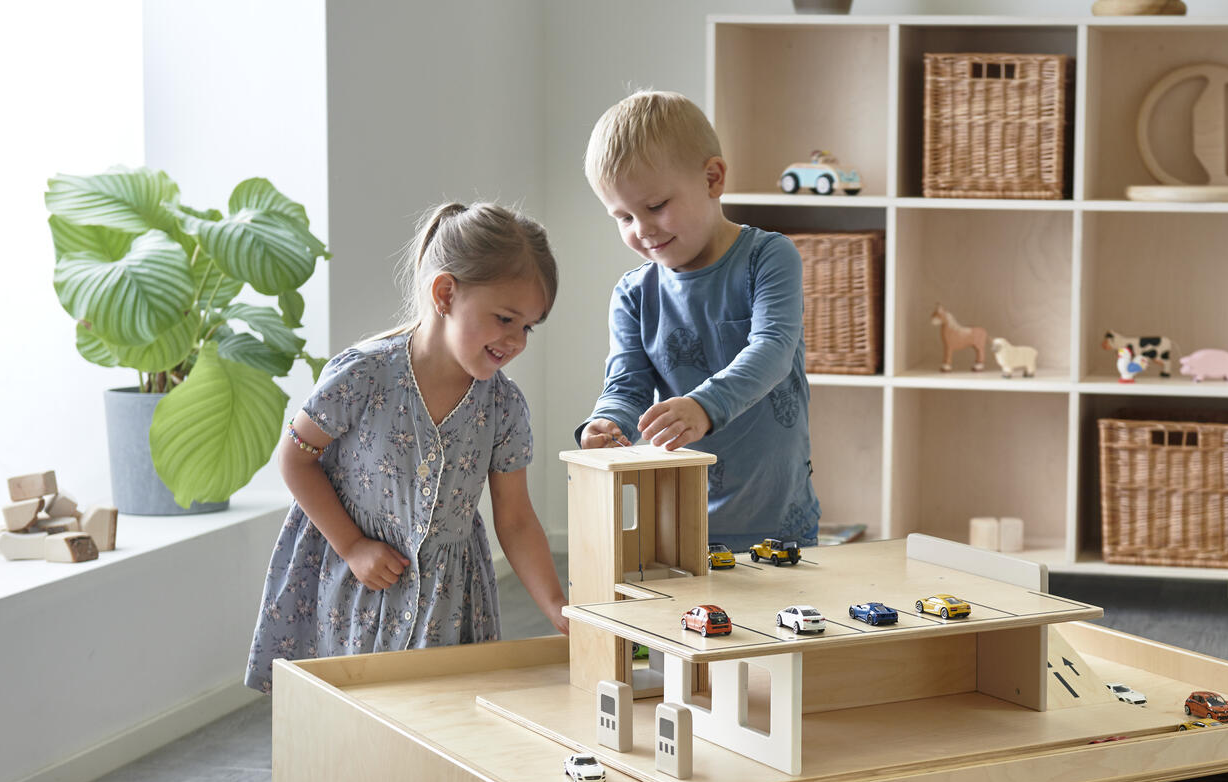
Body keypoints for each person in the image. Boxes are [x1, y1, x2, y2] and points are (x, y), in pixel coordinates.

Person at [244, 201, 569, 694]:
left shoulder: (504, 406)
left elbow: (517, 519)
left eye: (527, 326)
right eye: (505, 318)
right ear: (445, 294)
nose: (517, 340)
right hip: (359, 590)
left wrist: (556, 607)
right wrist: (352, 546)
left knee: (442, 716)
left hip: (450, 603)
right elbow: (295, 457)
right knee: (357, 715)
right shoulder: (364, 374)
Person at [576, 90, 820, 550]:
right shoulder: (633, 294)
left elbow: (772, 350)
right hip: (681, 523)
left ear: (712, 178)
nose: (642, 230)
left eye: (655, 206)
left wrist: (705, 406)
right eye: (623, 217)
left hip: (781, 519)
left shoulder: (769, 257)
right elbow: (626, 386)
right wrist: (607, 423)